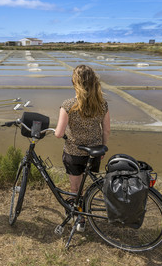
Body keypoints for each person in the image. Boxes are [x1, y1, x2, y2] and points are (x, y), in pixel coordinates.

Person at [55, 64, 110, 231]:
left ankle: (80, 218)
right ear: (94, 82)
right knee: (88, 185)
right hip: (94, 152)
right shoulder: (102, 104)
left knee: (75, 188)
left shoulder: (68, 105)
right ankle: (84, 211)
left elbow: (58, 133)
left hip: (74, 152)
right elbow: (106, 130)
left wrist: (56, 132)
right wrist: (102, 149)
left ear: (75, 83)